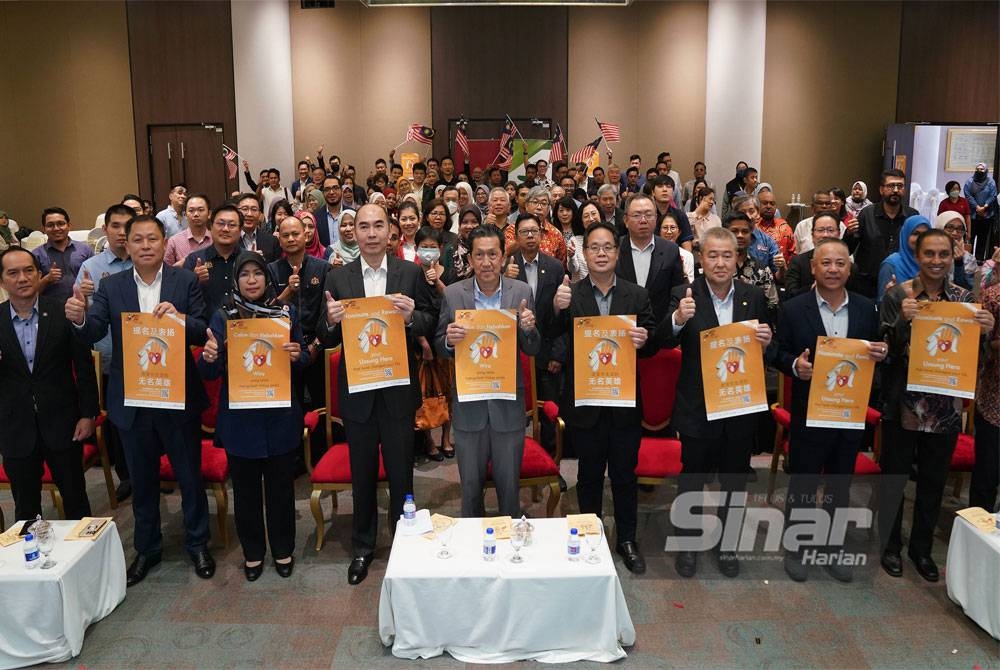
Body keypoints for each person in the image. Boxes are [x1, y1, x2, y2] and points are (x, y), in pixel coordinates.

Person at [65, 215, 214, 586]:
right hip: (133, 399)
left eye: (152, 239)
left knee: (189, 478)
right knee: (143, 482)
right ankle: (147, 549)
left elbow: (202, 330)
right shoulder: (111, 286)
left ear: (164, 243)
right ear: (126, 244)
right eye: (138, 239)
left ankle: (198, 544)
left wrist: (180, 319)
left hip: (177, 397)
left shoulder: (184, 281)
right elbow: (94, 331)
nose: (145, 245)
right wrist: (80, 318)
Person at [317, 203, 437, 585]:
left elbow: (430, 320)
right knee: (363, 476)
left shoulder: (410, 272)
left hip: (397, 391)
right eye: (364, 226)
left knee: (403, 474)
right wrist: (330, 322)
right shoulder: (338, 277)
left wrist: (412, 317)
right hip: (359, 393)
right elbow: (324, 334)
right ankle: (363, 547)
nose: (371, 233)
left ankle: (405, 542)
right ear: (353, 232)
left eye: (378, 226)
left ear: (390, 232)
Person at [877, 228, 995, 581]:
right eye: (929, 253)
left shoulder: (964, 299)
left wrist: (986, 332)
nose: (937, 260)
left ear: (952, 256)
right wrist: (902, 321)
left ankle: (921, 549)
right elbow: (883, 352)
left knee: (933, 480)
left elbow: (975, 358)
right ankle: (890, 546)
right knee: (895, 478)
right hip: (902, 402)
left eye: (944, 254)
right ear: (917, 256)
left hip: (944, 406)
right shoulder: (899, 295)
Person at [547, 221, 658, 574]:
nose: (601, 253)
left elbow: (653, 339)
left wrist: (645, 338)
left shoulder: (636, 296)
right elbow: (552, 339)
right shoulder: (571, 294)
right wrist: (555, 308)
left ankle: (627, 539)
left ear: (617, 253)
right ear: (584, 253)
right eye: (594, 247)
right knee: (589, 475)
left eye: (608, 247)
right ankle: (590, 536)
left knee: (625, 475)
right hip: (586, 402)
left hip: (624, 402)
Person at [773, 239, 885, 582]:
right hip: (809, 411)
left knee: (840, 484)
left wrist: (882, 353)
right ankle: (798, 547)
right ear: (813, 268)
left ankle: (833, 547)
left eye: (840, 263)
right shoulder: (793, 309)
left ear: (849, 269)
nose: (833, 269)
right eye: (826, 263)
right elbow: (777, 352)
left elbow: (878, 352)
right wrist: (795, 365)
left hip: (848, 413)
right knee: (804, 483)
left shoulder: (867, 308)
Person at [666, 226, 773, 578]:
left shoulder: (752, 296)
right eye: (712, 255)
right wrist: (678, 319)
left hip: (739, 405)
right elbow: (660, 340)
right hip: (697, 406)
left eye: (727, 255)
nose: (720, 262)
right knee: (692, 479)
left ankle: (728, 544)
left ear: (737, 258)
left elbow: (769, 344)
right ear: (701, 258)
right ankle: (688, 543)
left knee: (734, 481)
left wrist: (767, 339)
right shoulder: (684, 294)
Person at [198, 252, 309, 581]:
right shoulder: (223, 317)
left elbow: (303, 358)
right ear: (236, 280)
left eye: (257, 273)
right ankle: (253, 553)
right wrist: (209, 356)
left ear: (267, 278)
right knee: (245, 493)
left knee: (280, 491)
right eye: (244, 274)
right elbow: (208, 370)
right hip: (240, 420)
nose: (251, 280)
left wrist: (297, 354)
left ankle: (283, 549)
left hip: (279, 417)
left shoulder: (285, 314)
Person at [436, 224, 540, 516]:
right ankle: (472, 542)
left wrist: (528, 330)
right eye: (479, 255)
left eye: (493, 254)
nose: (486, 262)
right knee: (470, 489)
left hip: (507, 405)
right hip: (469, 405)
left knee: (509, 489)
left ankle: (510, 539)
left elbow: (533, 348)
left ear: (503, 257)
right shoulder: (453, 294)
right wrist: (448, 340)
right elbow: (440, 343)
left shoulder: (521, 292)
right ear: (470, 259)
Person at [0, 246, 97, 522]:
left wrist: (88, 414)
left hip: (63, 423)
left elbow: (84, 367)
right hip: (15, 428)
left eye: (29, 270)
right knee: (26, 510)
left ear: (38, 273)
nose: (22, 278)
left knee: (76, 502)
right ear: (2, 281)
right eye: (13, 273)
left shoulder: (62, 311)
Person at [76, 204, 135, 501]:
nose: (122, 232)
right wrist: (84, 301)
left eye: (127, 226)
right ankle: (125, 476)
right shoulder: (91, 267)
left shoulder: (146, 262)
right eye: (115, 226)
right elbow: (82, 316)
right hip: (110, 358)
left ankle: (150, 472)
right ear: (105, 230)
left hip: (144, 361)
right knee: (116, 423)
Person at [504, 213, 567, 467]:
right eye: (524, 232)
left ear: (541, 235)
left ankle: (550, 463)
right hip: (514, 352)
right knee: (514, 413)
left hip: (547, 351)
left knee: (549, 411)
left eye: (534, 231)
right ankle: (513, 462)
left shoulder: (555, 267)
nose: (530, 236)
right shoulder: (507, 266)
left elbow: (563, 316)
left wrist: (558, 354)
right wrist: (504, 277)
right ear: (516, 236)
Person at [269, 215, 332, 417]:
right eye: (285, 235)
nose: (291, 239)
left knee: (321, 407)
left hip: (318, 347)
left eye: (295, 234)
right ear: (279, 240)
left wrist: (316, 345)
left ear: (305, 236)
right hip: (284, 350)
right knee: (289, 409)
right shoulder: (271, 270)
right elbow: (268, 312)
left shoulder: (323, 268)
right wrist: (288, 291)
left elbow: (327, 312)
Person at [845, 169, 918, 298]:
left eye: (900, 186)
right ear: (881, 190)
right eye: (891, 186)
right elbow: (848, 249)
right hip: (868, 284)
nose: (895, 190)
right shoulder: (867, 214)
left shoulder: (912, 216)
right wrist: (849, 233)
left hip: (902, 282)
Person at [615, 193, 685, 326]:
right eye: (637, 215)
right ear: (626, 220)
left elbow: (677, 291)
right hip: (622, 328)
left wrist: (669, 322)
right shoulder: (614, 248)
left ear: (656, 218)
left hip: (660, 327)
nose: (643, 220)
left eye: (648, 215)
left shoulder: (670, 250)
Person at [971, 279, 1000, 512]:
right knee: (986, 481)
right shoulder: (993, 297)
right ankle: (976, 530)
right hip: (994, 406)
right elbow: (978, 347)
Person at [184, 205, 244, 314]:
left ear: (240, 230)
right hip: (205, 322)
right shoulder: (194, 260)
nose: (225, 229)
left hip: (243, 323)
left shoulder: (248, 260)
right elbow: (182, 297)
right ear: (211, 226)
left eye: (232, 225)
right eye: (220, 224)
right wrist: (194, 281)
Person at [32, 207, 94, 303]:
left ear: (69, 226)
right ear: (43, 229)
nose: (56, 228)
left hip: (82, 305)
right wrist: (46, 279)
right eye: (50, 225)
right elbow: (31, 292)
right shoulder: (36, 255)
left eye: (61, 224)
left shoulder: (85, 250)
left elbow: (98, 281)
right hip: (50, 308)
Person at [724, 212, 779, 310]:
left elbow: (773, 305)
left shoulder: (762, 270)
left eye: (745, 231)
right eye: (734, 231)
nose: (740, 235)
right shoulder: (717, 267)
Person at [503, 186, 567, 267]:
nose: (539, 207)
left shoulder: (555, 234)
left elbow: (561, 265)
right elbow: (505, 254)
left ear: (548, 208)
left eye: (543, 203)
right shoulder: (512, 229)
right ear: (526, 205)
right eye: (535, 202)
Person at [784, 212, 842, 298]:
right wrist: (812, 289)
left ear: (839, 234)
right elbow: (790, 294)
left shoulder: (847, 266)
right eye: (820, 230)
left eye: (830, 230)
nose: (825, 235)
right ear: (812, 235)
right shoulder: (798, 262)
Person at [876, 214, 930, 303]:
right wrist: (891, 297)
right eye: (915, 234)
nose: (920, 238)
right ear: (906, 235)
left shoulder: (933, 263)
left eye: (925, 234)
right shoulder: (890, 265)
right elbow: (881, 304)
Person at [164, 194, 212, 267]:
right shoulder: (174, 241)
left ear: (209, 214)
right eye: (191, 210)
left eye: (200, 210)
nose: (196, 214)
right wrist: (181, 266)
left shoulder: (216, 240)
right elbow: (165, 271)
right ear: (185, 215)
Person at [934, 210, 976, 290]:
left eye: (960, 229)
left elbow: (966, 289)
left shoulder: (968, 259)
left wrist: (959, 264)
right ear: (939, 229)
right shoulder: (928, 254)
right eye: (950, 227)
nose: (955, 233)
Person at [965, 163, 998, 261]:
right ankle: (968, 259)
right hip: (973, 215)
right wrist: (977, 207)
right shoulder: (970, 181)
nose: (979, 171)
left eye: (982, 169)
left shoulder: (991, 182)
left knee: (982, 238)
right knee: (970, 237)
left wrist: (985, 206)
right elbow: (968, 195)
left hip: (986, 215)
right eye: (977, 169)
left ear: (986, 170)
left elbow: (993, 195)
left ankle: (979, 259)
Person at [442, 205, 480, 285]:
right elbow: (445, 280)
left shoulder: (485, 249)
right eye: (465, 222)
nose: (469, 226)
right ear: (459, 225)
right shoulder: (450, 249)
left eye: (474, 222)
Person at [756, 187, 795, 265]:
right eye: (765, 203)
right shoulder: (752, 227)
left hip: (781, 270)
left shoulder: (784, 227)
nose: (769, 206)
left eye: (772, 203)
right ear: (757, 205)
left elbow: (793, 253)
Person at [552, 197, 586, 284]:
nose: (564, 214)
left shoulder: (581, 231)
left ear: (573, 211)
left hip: (578, 275)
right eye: (561, 210)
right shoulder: (552, 231)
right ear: (556, 213)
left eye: (568, 210)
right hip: (556, 274)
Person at [237, 194, 279, 262]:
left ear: (260, 214)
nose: (249, 214)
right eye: (245, 209)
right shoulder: (229, 240)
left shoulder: (272, 241)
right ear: (237, 212)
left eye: (254, 209)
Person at [660, 213, 695, 283]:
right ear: (659, 231)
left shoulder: (687, 256)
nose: (669, 232)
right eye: (665, 228)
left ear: (679, 232)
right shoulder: (652, 253)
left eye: (672, 227)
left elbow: (690, 283)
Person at [314, 175, 345, 248]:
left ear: (341, 190)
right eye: (327, 189)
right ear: (323, 193)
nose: (331, 192)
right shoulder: (316, 217)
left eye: (335, 188)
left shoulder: (353, 214)